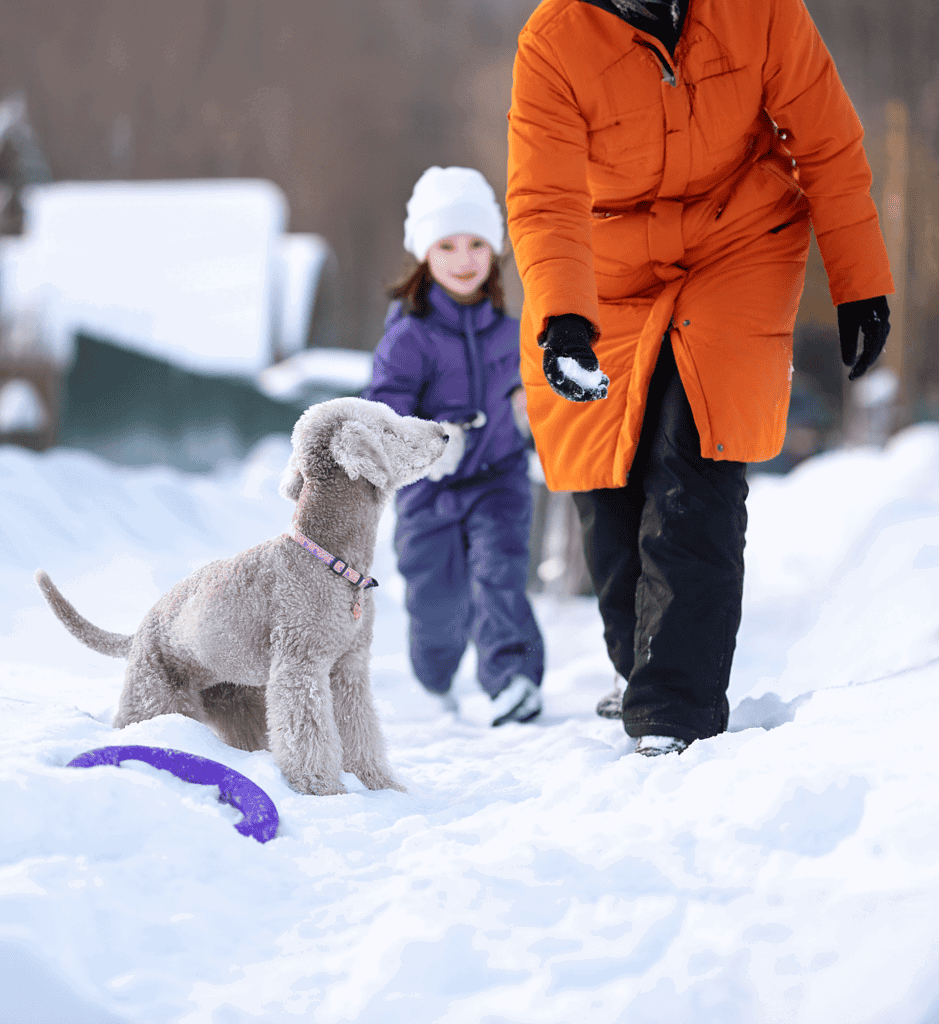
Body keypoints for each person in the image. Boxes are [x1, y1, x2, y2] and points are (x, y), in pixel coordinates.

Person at [506, 0, 894, 755]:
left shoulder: (764, 11)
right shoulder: (553, 40)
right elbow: (544, 195)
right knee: (605, 474)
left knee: (696, 453)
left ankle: (674, 711)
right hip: (603, 264)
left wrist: (861, 282)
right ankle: (640, 667)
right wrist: (564, 320)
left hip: (736, 239)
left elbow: (827, 140)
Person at [364, 166, 545, 725]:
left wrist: (528, 421)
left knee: (501, 572)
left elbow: (537, 398)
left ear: (494, 250)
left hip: (499, 480)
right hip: (429, 493)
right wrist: (427, 446)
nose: (464, 259)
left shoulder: (513, 332)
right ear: (424, 254)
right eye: (447, 245)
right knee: (438, 604)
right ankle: (435, 673)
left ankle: (512, 679)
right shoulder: (407, 338)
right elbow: (381, 414)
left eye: (476, 244)